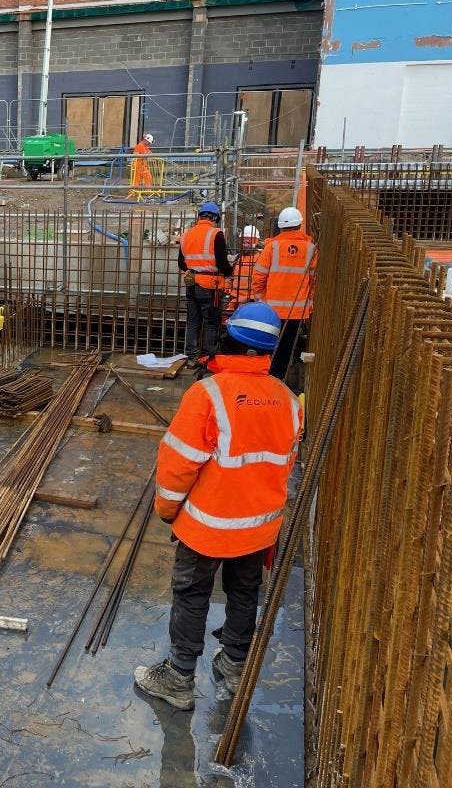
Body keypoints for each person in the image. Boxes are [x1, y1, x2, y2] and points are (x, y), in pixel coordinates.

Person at [134, 301, 303, 710]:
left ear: (229, 338)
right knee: (245, 591)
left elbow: (176, 466)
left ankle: (178, 678)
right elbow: (285, 463)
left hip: (206, 527)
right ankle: (235, 662)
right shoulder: (287, 398)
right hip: (259, 526)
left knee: (192, 593)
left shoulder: (208, 394)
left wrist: (167, 510)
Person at [252, 206, 316, 384]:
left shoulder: (272, 247)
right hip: (296, 311)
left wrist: (259, 299)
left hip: (272, 310)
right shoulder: (311, 249)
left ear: (280, 226)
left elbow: (258, 275)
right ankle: (280, 380)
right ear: (300, 225)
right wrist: (309, 304)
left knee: (269, 345)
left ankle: (265, 377)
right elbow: (313, 280)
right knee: (288, 347)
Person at [179, 202, 233, 368]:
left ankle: (191, 358)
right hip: (210, 287)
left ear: (199, 216)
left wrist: (195, 269)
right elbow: (222, 263)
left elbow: (181, 263)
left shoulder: (186, 234)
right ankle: (208, 358)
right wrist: (230, 272)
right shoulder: (216, 234)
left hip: (191, 284)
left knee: (193, 322)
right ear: (215, 217)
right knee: (210, 323)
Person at [222, 225, 261, 316]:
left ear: (255, 242)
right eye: (244, 242)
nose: (245, 245)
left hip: (252, 301)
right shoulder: (237, 258)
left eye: (248, 243)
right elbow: (230, 277)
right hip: (235, 300)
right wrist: (225, 289)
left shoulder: (260, 259)